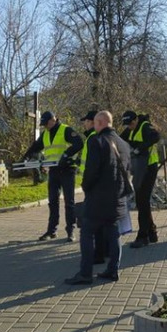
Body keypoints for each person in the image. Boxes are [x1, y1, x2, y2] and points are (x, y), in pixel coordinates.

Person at [65, 110, 131, 285]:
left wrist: (86, 187)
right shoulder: (123, 144)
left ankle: (85, 273)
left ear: (100, 123)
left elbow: (91, 170)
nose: (93, 126)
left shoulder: (97, 141)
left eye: (94, 123)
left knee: (87, 232)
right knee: (114, 233)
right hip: (117, 198)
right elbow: (127, 170)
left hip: (98, 198)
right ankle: (113, 270)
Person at [22, 111, 83, 242]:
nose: (45, 127)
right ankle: (51, 231)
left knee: (69, 202)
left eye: (46, 124)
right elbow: (35, 147)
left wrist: (66, 155)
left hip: (67, 169)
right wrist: (25, 157)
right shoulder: (45, 134)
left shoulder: (66, 130)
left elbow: (79, 143)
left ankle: (70, 230)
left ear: (53, 120)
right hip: (54, 170)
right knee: (53, 201)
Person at [120, 110, 160, 248]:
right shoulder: (130, 130)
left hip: (149, 167)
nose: (129, 126)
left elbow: (156, 137)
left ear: (136, 119)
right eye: (127, 124)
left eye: (130, 123)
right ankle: (151, 232)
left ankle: (143, 236)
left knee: (142, 200)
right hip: (139, 168)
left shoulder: (145, 126)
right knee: (142, 201)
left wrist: (139, 148)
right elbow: (120, 139)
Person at [79, 109, 107, 264]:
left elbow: (92, 165)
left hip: (93, 185)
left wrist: (87, 184)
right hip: (96, 184)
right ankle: (102, 251)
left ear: (92, 122)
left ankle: (98, 253)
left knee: (94, 221)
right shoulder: (95, 137)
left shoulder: (93, 138)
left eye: (86, 121)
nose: (84, 123)